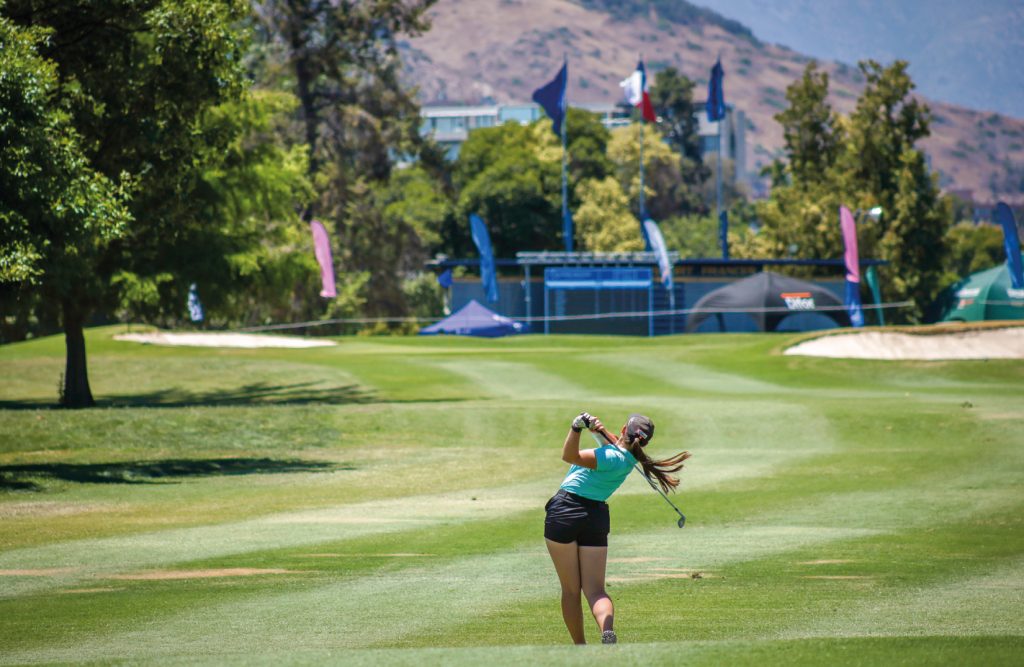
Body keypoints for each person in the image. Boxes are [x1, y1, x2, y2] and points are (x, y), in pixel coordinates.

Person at [544, 412, 691, 645]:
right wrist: (598, 432)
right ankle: (606, 630)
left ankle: (580, 647)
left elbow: (568, 455)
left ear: (624, 429)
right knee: (595, 591)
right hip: (595, 517)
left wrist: (576, 427)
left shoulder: (609, 456)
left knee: (571, 591)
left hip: (565, 511)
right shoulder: (630, 459)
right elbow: (616, 445)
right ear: (644, 443)